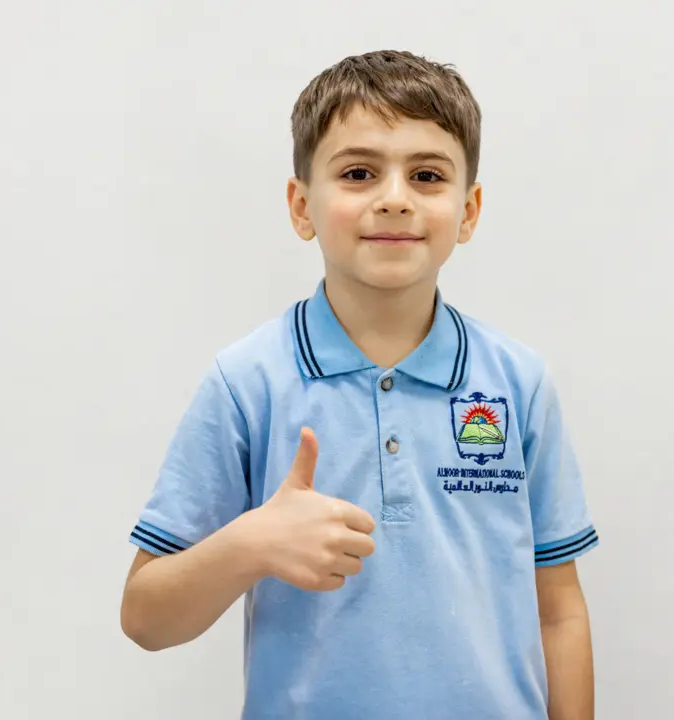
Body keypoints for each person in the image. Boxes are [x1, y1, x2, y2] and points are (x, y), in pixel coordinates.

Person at [120, 49, 599, 720]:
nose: (394, 198)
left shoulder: (517, 382)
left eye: (427, 175)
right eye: (358, 173)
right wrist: (250, 543)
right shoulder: (247, 382)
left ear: (468, 210)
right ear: (302, 206)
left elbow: (559, 612)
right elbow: (145, 618)